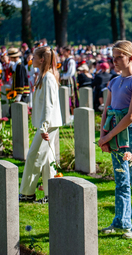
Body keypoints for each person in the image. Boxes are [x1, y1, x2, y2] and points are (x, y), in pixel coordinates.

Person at [98, 40, 132, 240]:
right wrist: (103, 135)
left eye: (119, 57)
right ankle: (121, 221)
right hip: (114, 134)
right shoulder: (114, 81)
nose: (115, 61)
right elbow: (107, 110)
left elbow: (131, 115)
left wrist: (109, 136)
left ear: (130, 58)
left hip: (130, 135)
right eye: (113, 57)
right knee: (120, 180)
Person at [19, 46, 62, 203]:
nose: (32, 60)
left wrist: (43, 126)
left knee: (34, 156)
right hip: (47, 124)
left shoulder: (48, 78)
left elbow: (49, 105)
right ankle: (51, 194)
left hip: (48, 125)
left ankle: (27, 192)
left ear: (42, 59)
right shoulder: (44, 76)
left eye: (34, 57)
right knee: (46, 159)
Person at [60, 46, 78, 116]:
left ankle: (73, 114)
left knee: (71, 96)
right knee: (66, 97)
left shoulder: (71, 61)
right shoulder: (65, 60)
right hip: (64, 80)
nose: (63, 53)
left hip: (69, 80)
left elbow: (71, 73)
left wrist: (62, 77)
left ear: (68, 52)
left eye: (64, 52)